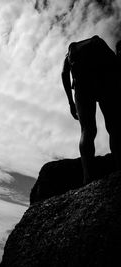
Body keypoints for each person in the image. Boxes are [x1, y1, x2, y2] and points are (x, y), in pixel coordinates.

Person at [62, 35, 121, 185]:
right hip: (104, 81)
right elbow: (114, 66)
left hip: (82, 85)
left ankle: (88, 177)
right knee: (113, 126)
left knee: (87, 130)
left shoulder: (72, 50)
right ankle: (119, 167)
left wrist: (70, 102)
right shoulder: (98, 45)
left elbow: (64, 74)